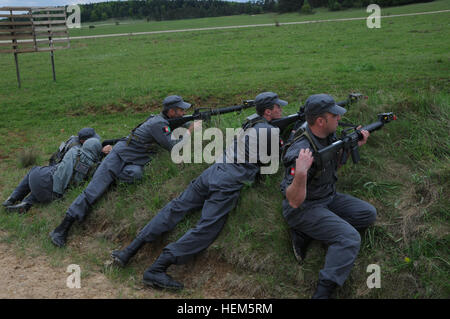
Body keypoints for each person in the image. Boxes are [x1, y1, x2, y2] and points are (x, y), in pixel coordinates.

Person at [110, 91, 287, 290]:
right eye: (278, 107)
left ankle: (127, 252)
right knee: (206, 230)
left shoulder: (250, 123)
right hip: (228, 181)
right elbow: (271, 165)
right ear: (269, 112)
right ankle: (157, 269)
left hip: (212, 172)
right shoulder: (271, 132)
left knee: (175, 208)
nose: (282, 109)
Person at [49, 95, 199, 248]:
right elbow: (174, 147)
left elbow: (179, 123)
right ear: (171, 112)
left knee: (135, 174)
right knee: (93, 191)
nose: (183, 112)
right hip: (119, 155)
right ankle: (62, 229)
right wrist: (189, 131)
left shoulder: (164, 121)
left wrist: (195, 119)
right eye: (181, 110)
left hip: (133, 161)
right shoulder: (158, 123)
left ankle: (109, 179)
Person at [279, 93, 377, 299]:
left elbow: (332, 164)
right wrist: (302, 173)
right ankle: (323, 292)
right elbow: (294, 200)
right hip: (303, 208)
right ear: (320, 121)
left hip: (327, 197)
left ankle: (310, 233)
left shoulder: (328, 136)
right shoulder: (300, 150)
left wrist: (352, 147)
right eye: (335, 116)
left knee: (368, 214)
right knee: (349, 238)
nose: (339, 119)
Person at [2, 138, 103, 213]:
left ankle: (12, 198)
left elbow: (57, 161)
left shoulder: (74, 151)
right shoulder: (93, 168)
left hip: (47, 181)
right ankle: (26, 203)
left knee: (34, 171)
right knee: (42, 188)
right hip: (56, 197)